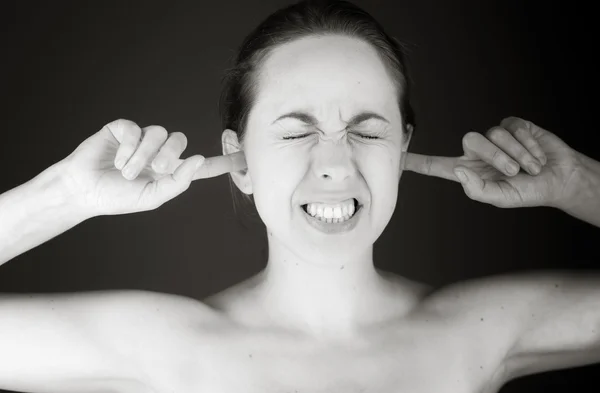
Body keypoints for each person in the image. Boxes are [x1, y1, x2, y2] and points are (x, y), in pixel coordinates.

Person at [1, 0, 599, 392]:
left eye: (367, 131)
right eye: (294, 132)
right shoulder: (165, 344)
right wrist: (67, 193)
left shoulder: (481, 328)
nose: (336, 164)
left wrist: (579, 185)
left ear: (402, 147)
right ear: (241, 160)